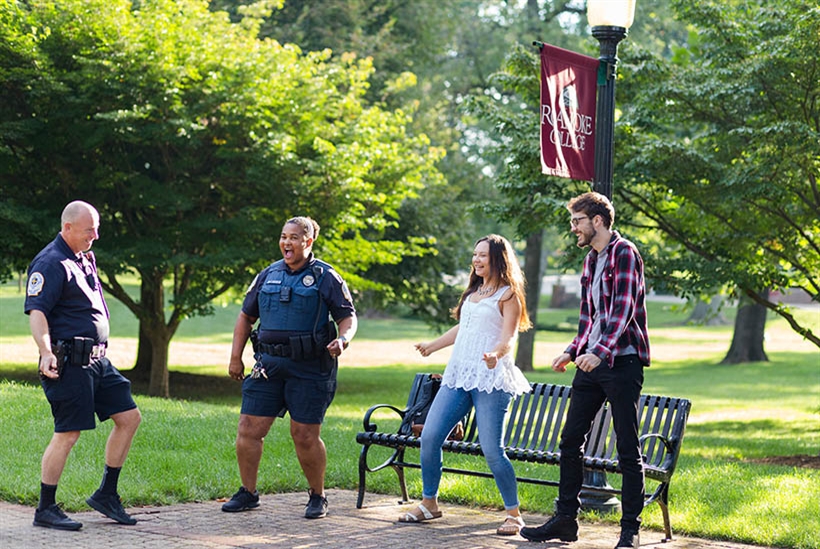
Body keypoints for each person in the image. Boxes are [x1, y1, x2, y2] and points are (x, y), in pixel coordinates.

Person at [520, 192, 650, 548]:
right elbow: (589, 318)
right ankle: (565, 521)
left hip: (622, 362)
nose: (573, 228)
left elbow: (623, 312)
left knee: (626, 447)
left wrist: (601, 352)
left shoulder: (625, 253)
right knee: (569, 440)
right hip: (592, 361)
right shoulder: (590, 260)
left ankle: (630, 531)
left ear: (597, 220)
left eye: (577, 221)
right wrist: (571, 350)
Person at [223, 216, 357, 519]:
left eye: (294, 237)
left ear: (308, 242)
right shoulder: (268, 275)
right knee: (248, 429)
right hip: (268, 365)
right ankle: (248, 493)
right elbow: (246, 316)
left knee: (304, 434)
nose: (287, 243)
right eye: (283, 237)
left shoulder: (326, 277)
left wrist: (344, 339)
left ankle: (317, 496)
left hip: (310, 368)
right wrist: (235, 357)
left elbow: (347, 316)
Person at [399, 234, 532, 536]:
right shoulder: (475, 291)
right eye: (475, 255)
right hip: (459, 375)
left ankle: (514, 514)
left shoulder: (508, 294)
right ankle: (429, 503)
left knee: (492, 450)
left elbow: (509, 335)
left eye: (483, 255)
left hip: (490, 379)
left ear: (498, 258)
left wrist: (496, 354)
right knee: (430, 436)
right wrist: (433, 346)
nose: (476, 260)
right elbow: (465, 327)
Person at [24, 200, 142, 531]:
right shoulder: (51, 262)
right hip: (68, 363)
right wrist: (45, 352)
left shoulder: (83, 256)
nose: (96, 235)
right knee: (68, 433)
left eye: (97, 228)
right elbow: (38, 313)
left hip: (97, 361)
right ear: (68, 228)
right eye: (90, 229)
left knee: (129, 417)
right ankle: (45, 508)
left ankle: (106, 494)